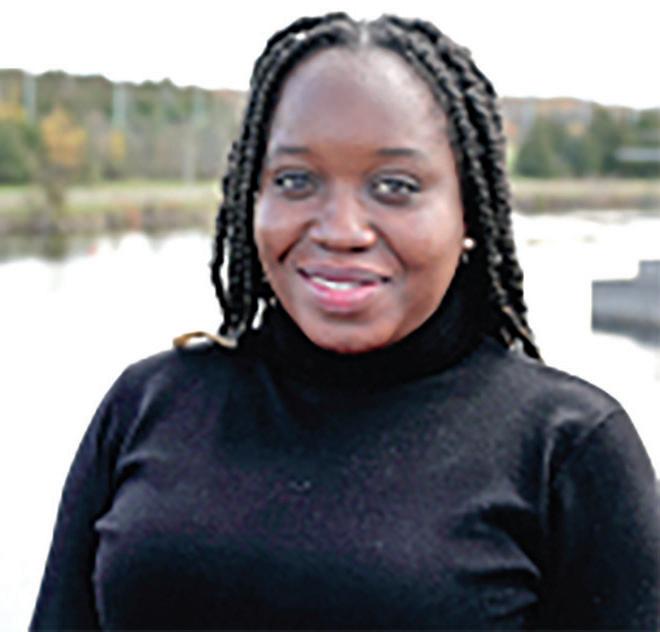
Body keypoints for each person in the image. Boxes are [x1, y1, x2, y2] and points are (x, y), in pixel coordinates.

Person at [31, 13, 658, 630]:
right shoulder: (151, 405)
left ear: (468, 212)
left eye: (395, 186)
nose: (340, 230)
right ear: (253, 194)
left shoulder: (566, 448)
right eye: (295, 180)